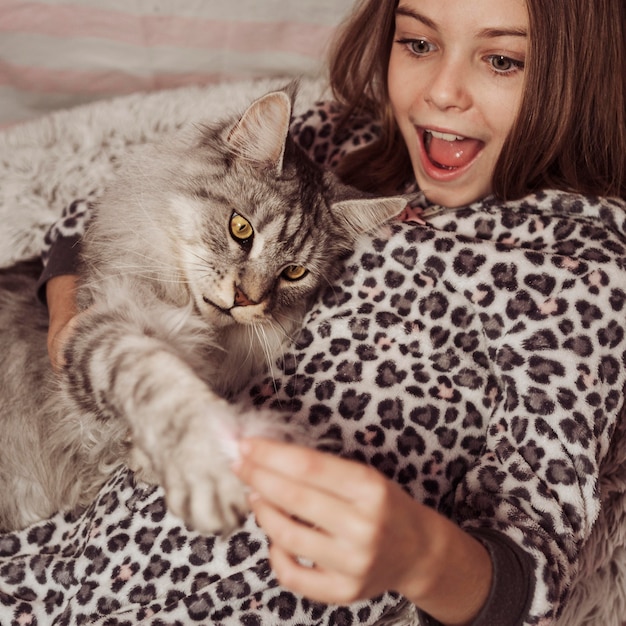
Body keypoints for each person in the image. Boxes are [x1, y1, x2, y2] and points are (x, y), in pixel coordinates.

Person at [15, 0, 626, 625]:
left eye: (501, 59)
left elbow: (537, 560)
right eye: (418, 44)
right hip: (63, 555)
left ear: (580, 75)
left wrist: (419, 558)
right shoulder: (346, 136)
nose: (443, 91)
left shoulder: (583, 263)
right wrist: (73, 316)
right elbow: (95, 212)